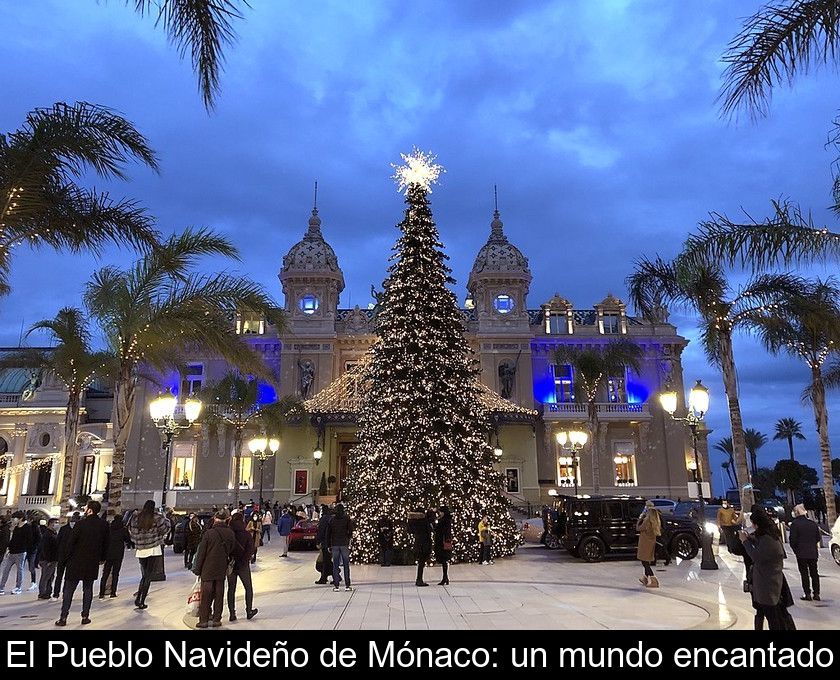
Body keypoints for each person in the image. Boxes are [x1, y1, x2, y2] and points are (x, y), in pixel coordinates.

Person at [739, 504, 796, 630]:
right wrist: (750, 539)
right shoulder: (769, 536)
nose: (752, 527)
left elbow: (757, 556)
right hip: (769, 584)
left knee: (774, 618)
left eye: (753, 524)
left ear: (757, 524)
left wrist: (745, 541)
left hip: (768, 585)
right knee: (775, 615)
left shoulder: (767, 540)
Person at [55, 500, 109, 626]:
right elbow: (106, 543)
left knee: (69, 590)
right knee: (88, 589)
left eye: (86, 507)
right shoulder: (104, 525)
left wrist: (66, 559)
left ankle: (63, 617)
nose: (84, 509)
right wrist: (102, 558)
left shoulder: (80, 524)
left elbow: (71, 543)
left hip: (75, 561)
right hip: (92, 562)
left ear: (90, 510)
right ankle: (85, 615)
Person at [193, 509, 235, 629]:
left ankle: (204, 620)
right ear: (226, 520)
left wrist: (197, 569)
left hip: (208, 568)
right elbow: (232, 549)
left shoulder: (209, 533)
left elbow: (201, 553)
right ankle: (217, 619)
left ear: (216, 519)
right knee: (219, 594)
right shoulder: (230, 533)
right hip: (221, 567)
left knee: (206, 595)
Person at [127, 500, 169, 610]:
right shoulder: (156, 517)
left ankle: (139, 598)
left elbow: (132, 532)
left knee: (144, 575)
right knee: (148, 576)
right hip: (153, 548)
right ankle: (142, 600)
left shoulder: (136, 518)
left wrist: (138, 541)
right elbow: (164, 529)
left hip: (141, 549)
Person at [227, 512, 257, 621]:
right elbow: (251, 549)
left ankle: (232, 613)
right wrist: (244, 560)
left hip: (231, 564)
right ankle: (249, 611)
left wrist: (230, 559)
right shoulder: (246, 534)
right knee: (248, 588)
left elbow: (226, 549)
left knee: (231, 589)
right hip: (243, 565)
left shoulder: (229, 533)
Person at [788, 504, 821, 602]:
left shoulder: (795, 524)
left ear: (796, 512)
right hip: (812, 552)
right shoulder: (812, 523)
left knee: (804, 574)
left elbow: (792, 540)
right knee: (814, 573)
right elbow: (818, 538)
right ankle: (816, 593)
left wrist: (796, 550)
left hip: (801, 553)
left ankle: (807, 593)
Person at [99, 515, 129, 599]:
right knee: (115, 573)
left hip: (108, 554)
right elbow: (128, 540)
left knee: (105, 573)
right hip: (118, 554)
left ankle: (101, 592)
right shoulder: (123, 530)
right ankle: (113, 592)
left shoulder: (109, 529)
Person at [0, 511, 30, 595]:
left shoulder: (27, 528)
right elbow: (13, 539)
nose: (13, 519)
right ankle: (1, 587)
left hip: (20, 552)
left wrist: (24, 548)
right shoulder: (17, 527)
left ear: (20, 518)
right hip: (12, 552)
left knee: (20, 570)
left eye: (15, 518)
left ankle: (18, 587)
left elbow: (29, 541)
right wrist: (9, 548)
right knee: (6, 570)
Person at [326, 503, 353, 592]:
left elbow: (328, 533)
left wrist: (328, 545)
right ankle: (347, 585)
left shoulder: (332, 520)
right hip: (344, 543)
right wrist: (348, 538)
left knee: (335, 565)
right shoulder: (346, 519)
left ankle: (336, 585)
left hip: (335, 544)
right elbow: (350, 531)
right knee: (346, 565)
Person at [52, 512, 79, 600]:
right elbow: (58, 542)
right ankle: (57, 593)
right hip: (65, 556)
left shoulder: (72, 529)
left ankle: (64, 593)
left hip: (70, 557)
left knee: (66, 577)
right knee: (60, 576)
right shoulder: (65, 529)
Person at [637, 500, 661, 588]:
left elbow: (638, 528)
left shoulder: (647, 520)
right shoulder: (655, 519)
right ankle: (645, 578)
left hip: (645, 542)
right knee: (645, 560)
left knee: (644, 562)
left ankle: (653, 579)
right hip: (650, 542)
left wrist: (640, 518)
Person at [408, 508, 433, 587]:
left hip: (418, 544)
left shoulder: (413, 522)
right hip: (424, 544)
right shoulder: (423, 522)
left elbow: (410, 530)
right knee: (422, 562)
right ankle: (419, 580)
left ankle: (419, 579)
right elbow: (430, 527)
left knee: (421, 563)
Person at [37, 518, 59, 599]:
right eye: (56, 523)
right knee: (45, 577)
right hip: (47, 560)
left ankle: (48, 592)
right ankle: (42, 593)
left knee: (50, 576)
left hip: (53, 559)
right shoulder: (47, 534)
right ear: (51, 524)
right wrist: (48, 560)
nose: (57, 524)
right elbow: (45, 548)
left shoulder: (53, 533)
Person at [434, 506, 453, 586]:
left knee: (444, 560)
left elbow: (441, 530)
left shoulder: (444, 521)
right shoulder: (446, 520)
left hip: (443, 542)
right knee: (444, 560)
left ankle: (445, 578)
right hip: (444, 542)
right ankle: (445, 578)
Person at [315, 506, 333, 584]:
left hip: (325, 543)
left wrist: (318, 541)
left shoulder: (324, 519)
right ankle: (335, 576)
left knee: (324, 562)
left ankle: (324, 578)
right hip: (333, 543)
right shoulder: (332, 518)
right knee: (328, 561)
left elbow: (321, 531)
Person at [25, 513, 40, 591]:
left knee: (31, 567)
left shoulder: (35, 528)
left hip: (32, 550)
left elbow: (38, 538)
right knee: (27, 567)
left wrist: (34, 547)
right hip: (27, 549)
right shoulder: (28, 527)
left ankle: (33, 582)